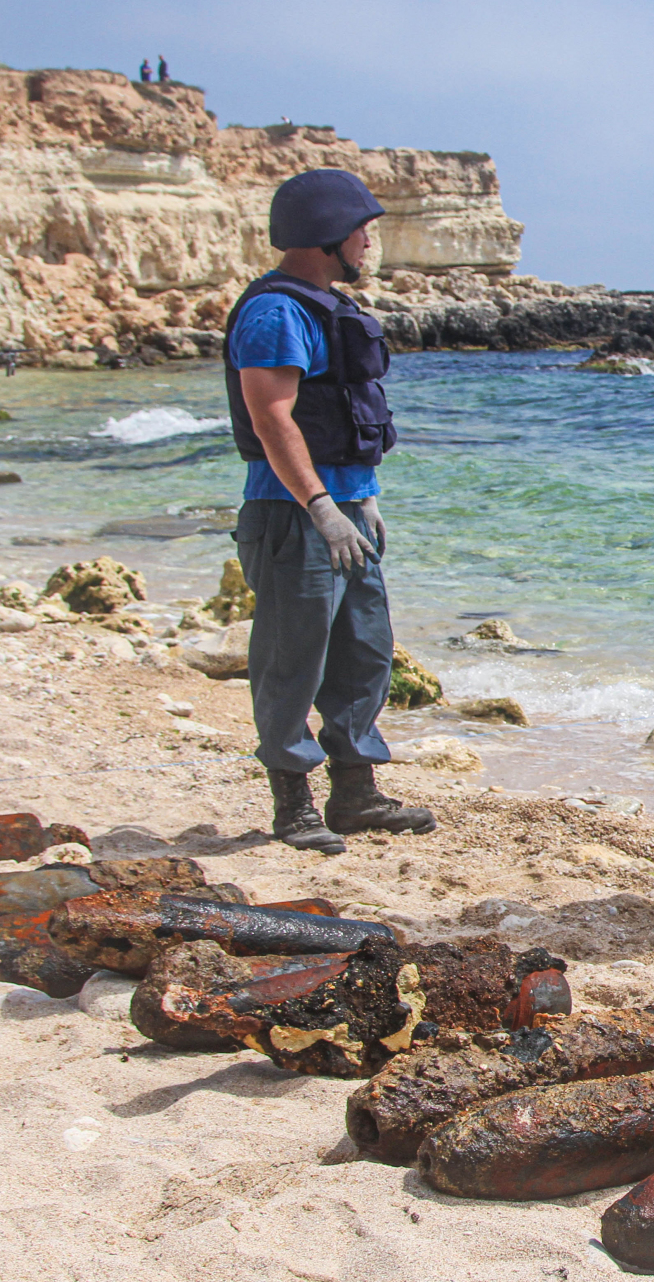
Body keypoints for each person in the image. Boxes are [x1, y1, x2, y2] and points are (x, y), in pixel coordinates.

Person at [223, 168, 434, 854]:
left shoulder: (322, 305)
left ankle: (355, 792)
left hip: (346, 509)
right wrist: (318, 505)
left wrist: (362, 497)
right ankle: (293, 803)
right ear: (328, 237)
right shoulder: (275, 313)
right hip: (294, 517)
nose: (369, 245)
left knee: (365, 653)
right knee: (293, 659)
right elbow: (272, 417)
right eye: (362, 233)